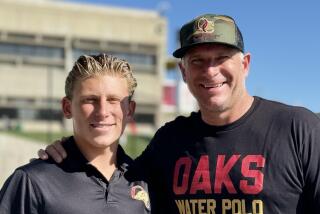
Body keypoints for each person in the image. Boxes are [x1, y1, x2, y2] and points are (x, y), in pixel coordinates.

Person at [38, 14, 320, 213]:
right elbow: (115, 178)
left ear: (245, 64)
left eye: (221, 58)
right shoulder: (169, 141)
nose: (210, 71)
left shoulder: (299, 129)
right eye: (197, 61)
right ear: (184, 72)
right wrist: (69, 150)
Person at [0, 54, 151, 214]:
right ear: (67, 108)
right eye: (90, 100)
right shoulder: (31, 181)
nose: (103, 112)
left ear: (129, 110)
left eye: (113, 100)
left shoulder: (144, 180)